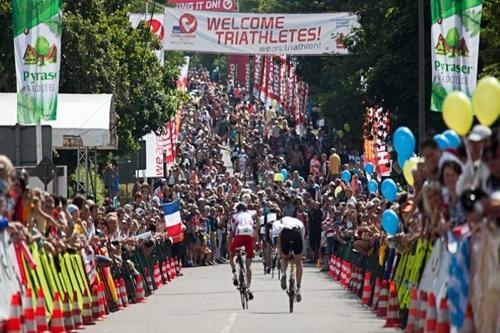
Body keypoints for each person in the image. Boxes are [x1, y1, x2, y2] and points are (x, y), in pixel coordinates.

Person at [229, 203, 256, 300]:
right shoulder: (249, 216)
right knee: (248, 265)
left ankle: (235, 274)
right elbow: (254, 229)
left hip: (239, 235)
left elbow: (231, 232)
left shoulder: (234, 216)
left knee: (231, 256)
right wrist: (255, 243)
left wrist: (230, 248)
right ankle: (248, 287)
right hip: (249, 234)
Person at [277, 216, 305, 302]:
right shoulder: (299, 223)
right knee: (298, 262)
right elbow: (302, 237)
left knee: (285, 258)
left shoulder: (283, 221)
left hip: (286, 233)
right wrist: (300, 254)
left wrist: (280, 253)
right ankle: (298, 288)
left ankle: (283, 274)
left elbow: (279, 237)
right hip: (297, 233)